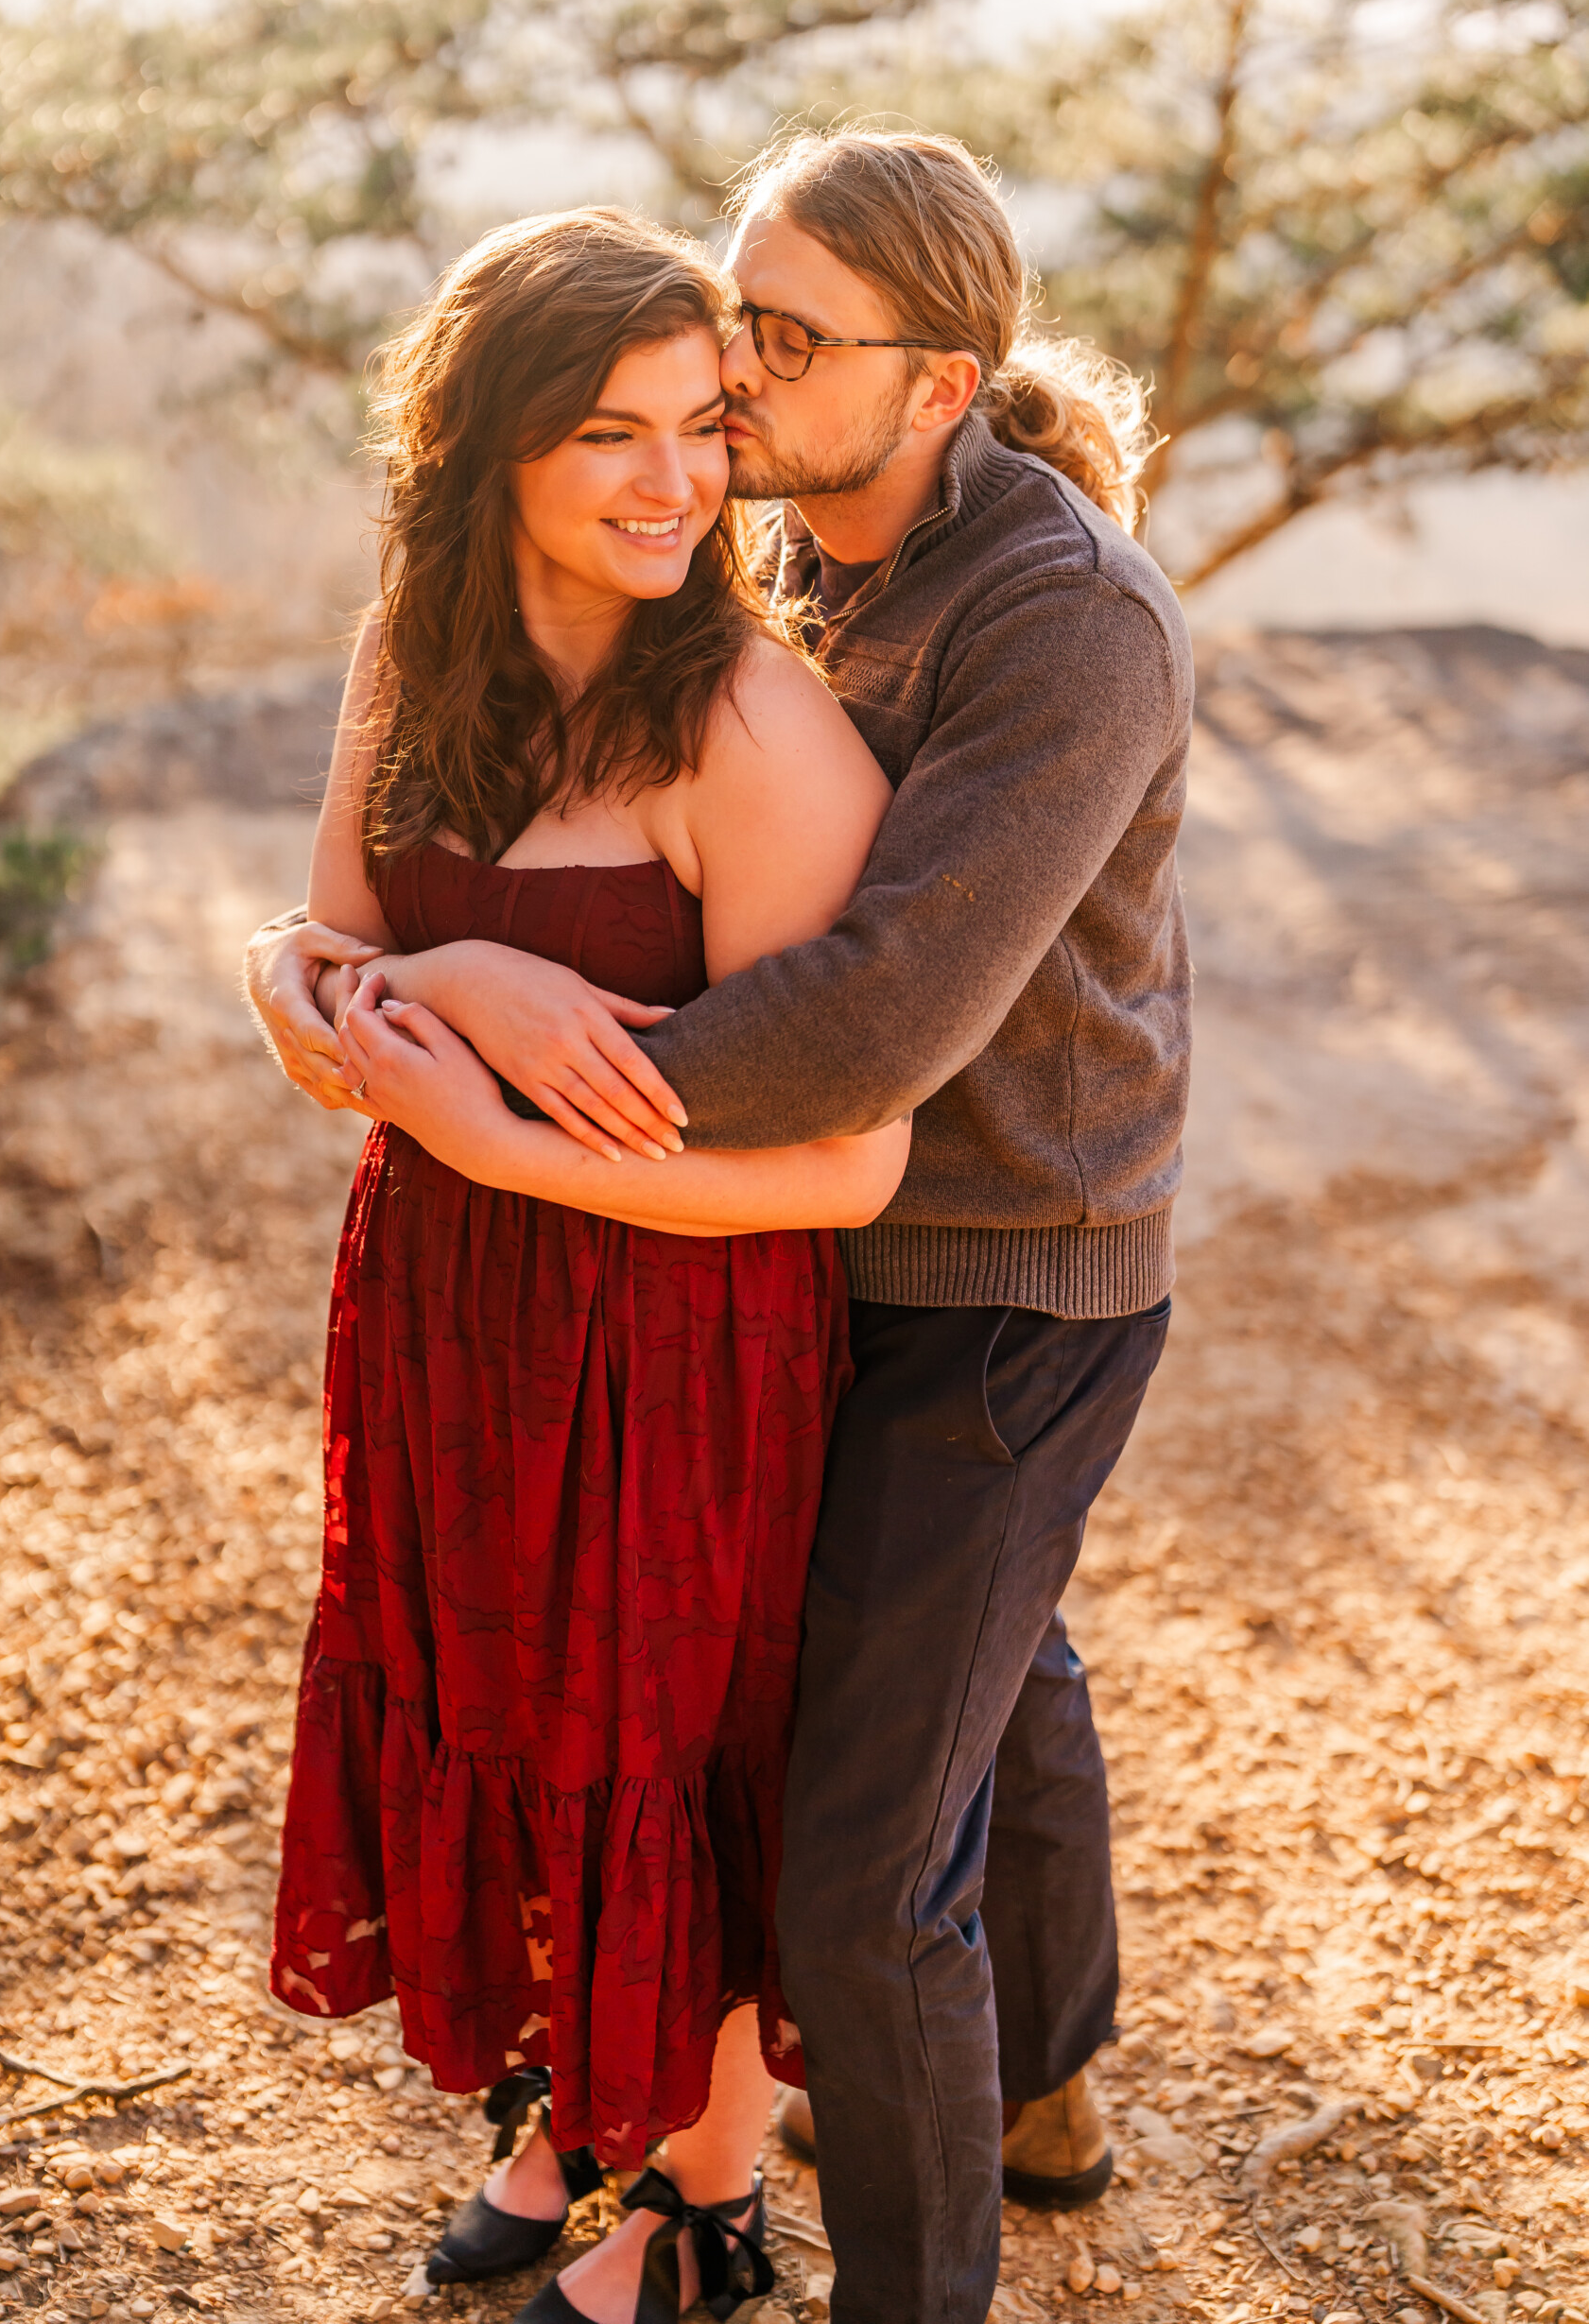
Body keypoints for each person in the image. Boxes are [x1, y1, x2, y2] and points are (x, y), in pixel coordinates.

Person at [249, 128, 1193, 2324]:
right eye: (721, 327)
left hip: (994, 1260)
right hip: (728, 1239)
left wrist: (471, 1062)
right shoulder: (790, 546)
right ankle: (1032, 2079)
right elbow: (393, 875)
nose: (726, 401)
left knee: (858, 1847)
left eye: (770, 348)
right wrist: (335, 972)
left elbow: (865, 1026)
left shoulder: (1062, 621)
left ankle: (851, 2259)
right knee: (978, 1686)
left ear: (938, 379)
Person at [267, 203, 910, 2324]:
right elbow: (332, 965)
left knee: (670, 1744)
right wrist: (443, 970)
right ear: (488, 453)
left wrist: (468, 1116)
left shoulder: (747, 728)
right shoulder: (411, 660)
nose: (675, 482)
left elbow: (843, 1165)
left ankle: (703, 2196)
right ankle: (564, 2104)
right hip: (449, 1314)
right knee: (506, 1702)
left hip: (681, 1330)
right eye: (609, 433)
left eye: (705, 428)